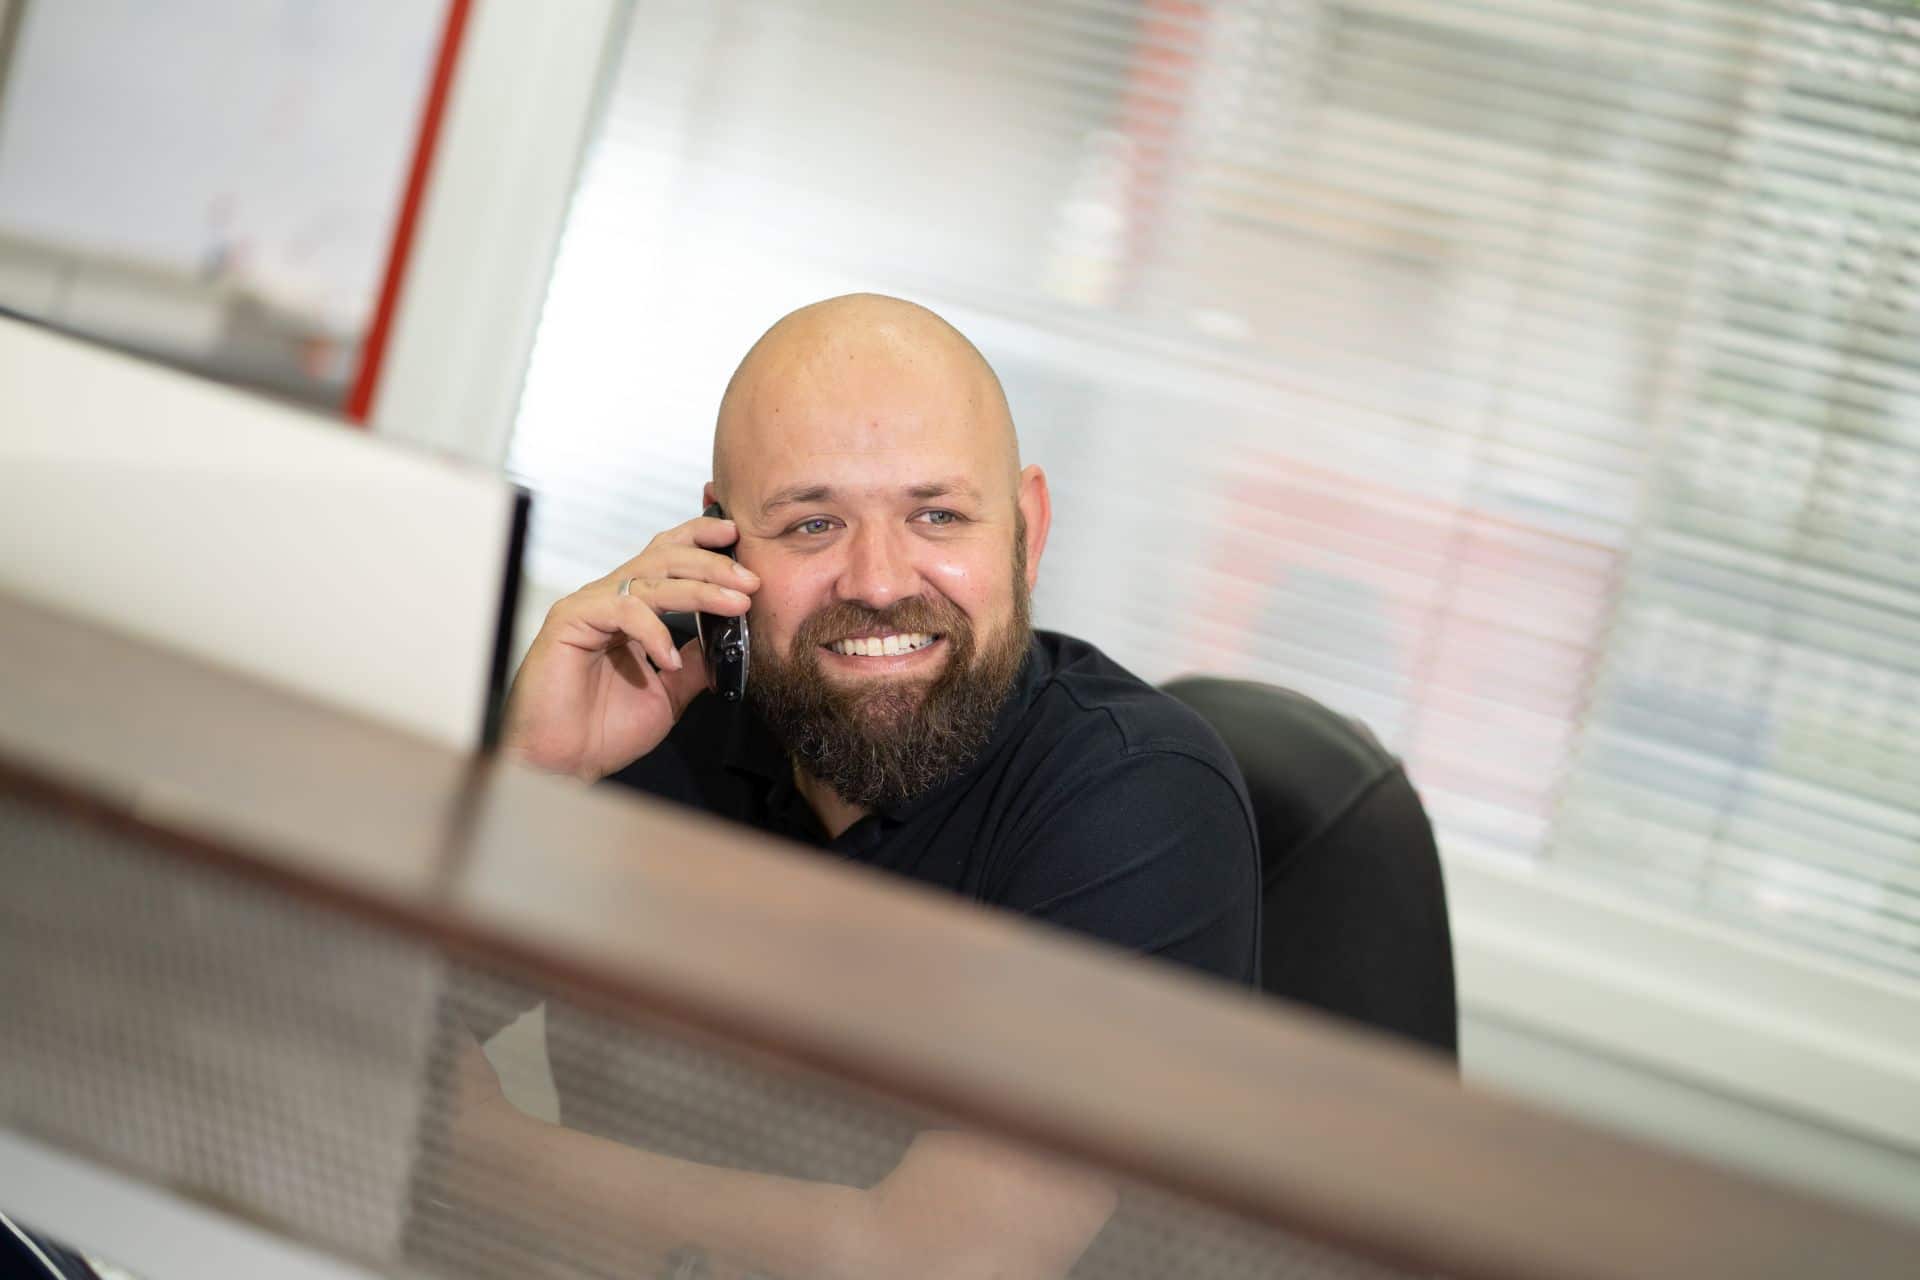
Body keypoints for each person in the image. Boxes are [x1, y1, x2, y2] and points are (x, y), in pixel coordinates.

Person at [458, 294, 1259, 1278]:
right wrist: (536, 776)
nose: (879, 581)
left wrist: (492, 1159)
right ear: (720, 540)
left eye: (936, 513)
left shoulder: (1140, 798)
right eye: (812, 521)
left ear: (1026, 529)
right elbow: (343, 1040)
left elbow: (938, 1264)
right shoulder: (651, 714)